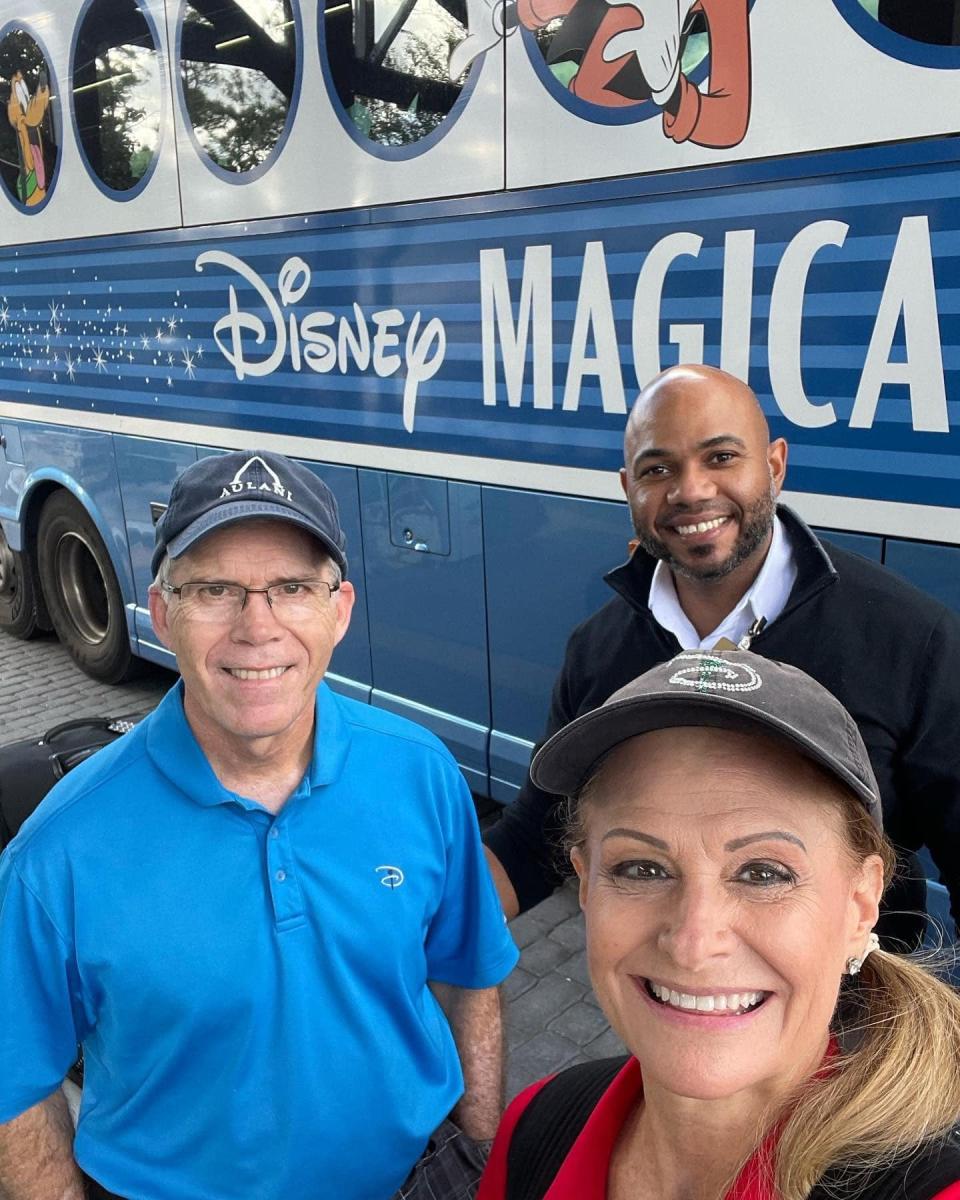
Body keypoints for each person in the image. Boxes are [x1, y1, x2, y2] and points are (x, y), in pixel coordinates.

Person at [0, 450, 518, 1200]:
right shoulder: (58, 851)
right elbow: (15, 1082)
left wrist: (482, 1157)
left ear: (338, 610)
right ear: (164, 610)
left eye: (291, 587)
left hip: (418, 1180)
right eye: (215, 588)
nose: (258, 626)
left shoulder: (420, 773)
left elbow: (470, 976)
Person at [483, 364, 960, 949]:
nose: (691, 491)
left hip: (856, 1026)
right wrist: (408, 929)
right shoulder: (599, 648)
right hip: (678, 999)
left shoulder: (909, 637)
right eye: (657, 469)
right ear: (627, 487)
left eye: (721, 457)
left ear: (775, 465)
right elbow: (539, 835)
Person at [479, 650, 960, 1200]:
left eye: (762, 873)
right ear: (585, 885)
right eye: (641, 867)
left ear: (859, 907)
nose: (692, 943)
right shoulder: (536, 1128)